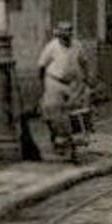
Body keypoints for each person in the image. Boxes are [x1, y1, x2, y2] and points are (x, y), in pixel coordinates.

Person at [38, 21, 92, 154]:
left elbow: (84, 62)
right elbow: (41, 65)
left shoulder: (77, 45)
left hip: (71, 83)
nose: (66, 34)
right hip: (54, 81)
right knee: (54, 111)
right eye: (63, 32)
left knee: (73, 112)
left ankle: (70, 139)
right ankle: (58, 140)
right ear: (58, 33)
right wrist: (42, 85)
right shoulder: (52, 46)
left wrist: (86, 79)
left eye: (68, 31)